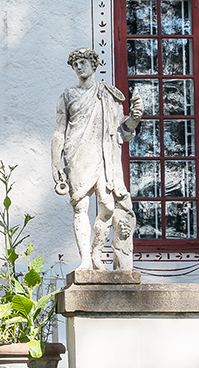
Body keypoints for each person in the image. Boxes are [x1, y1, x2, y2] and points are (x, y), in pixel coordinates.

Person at [51, 47, 142, 272]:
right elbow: (59, 132)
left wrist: (134, 119)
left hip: (103, 156)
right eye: (75, 64)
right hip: (77, 155)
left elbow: (122, 131)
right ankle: (85, 260)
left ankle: (96, 253)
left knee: (108, 207)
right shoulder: (67, 96)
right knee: (80, 207)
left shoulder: (109, 95)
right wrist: (55, 164)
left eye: (82, 62)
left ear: (94, 65)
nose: (78, 67)